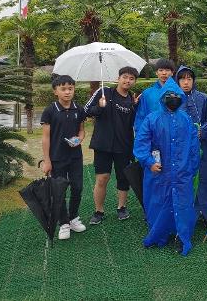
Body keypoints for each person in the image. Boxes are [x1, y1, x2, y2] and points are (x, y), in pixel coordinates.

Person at [132, 77, 200, 256]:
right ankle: (159, 234)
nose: (173, 98)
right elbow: (141, 144)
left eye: (176, 95)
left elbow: (194, 147)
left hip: (181, 173)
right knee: (158, 202)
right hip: (159, 172)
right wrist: (149, 162)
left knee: (183, 203)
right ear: (162, 97)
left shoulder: (185, 119)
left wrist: (192, 167)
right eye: (169, 95)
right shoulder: (152, 119)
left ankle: (182, 235)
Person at [84, 66, 139, 225]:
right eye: (125, 77)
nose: (127, 81)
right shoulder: (105, 92)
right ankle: (99, 211)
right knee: (102, 178)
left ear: (134, 81)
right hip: (103, 144)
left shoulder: (132, 99)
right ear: (118, 78)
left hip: (124, 145)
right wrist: (100, 107)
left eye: (131, 78)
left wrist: (134, 107)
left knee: (123, 178)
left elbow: (133, 123)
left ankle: (122, 208)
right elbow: (86, 111)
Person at [41, 75, 87, 240]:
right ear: (55, 91)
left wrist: (79, 139)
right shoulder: (50, 110)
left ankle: (73, 218)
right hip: (56, 158)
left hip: (75, 156)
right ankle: (64, 223)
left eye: (70, 88)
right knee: (59, 190)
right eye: (63, 89)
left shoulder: (79, 109)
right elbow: (46, 137)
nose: (67, 92)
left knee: (77, 187)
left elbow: (82, 130)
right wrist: (47, 160)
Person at [175, 65, 207, 222]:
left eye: (189, 78)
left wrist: (204, 130)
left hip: (206, 144)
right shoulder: (173, 99)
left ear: (193, 80)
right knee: (187, 177)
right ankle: (189, 211)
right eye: (182, 78)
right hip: (183, 148)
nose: (186, 82)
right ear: (178, 80)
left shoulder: (203, 98)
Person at [134, 58, 175, 134]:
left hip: (173, 135)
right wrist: (141, 136)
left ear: (172, 73)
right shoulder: (147, 93)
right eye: (161, 70)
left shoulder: (178, 92)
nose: (164, 73)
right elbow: (141, 117)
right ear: (156, 72)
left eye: (167, 70)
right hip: (153, 134)